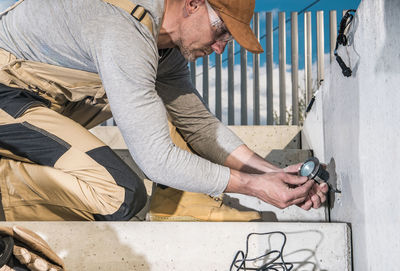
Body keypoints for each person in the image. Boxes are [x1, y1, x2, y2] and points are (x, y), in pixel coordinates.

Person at [0, 0, 328, 221]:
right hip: (5, 94)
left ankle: (186, 207)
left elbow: (199, 126)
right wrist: (252, 187)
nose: (218, 48)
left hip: (30, 106)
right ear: (194, 4)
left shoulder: (164, 51)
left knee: (162, 108)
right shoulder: (124, 29)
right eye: (221, 31)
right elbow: (156, 159)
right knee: (119, 194)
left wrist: (270, 174)